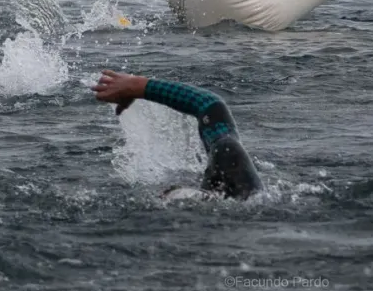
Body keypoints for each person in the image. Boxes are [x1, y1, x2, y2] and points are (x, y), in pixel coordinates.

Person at [90, 69, 263, 200]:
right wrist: (139, 87)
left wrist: (139, 86)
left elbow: (208, 105)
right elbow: (209, 107)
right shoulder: (247, 193)